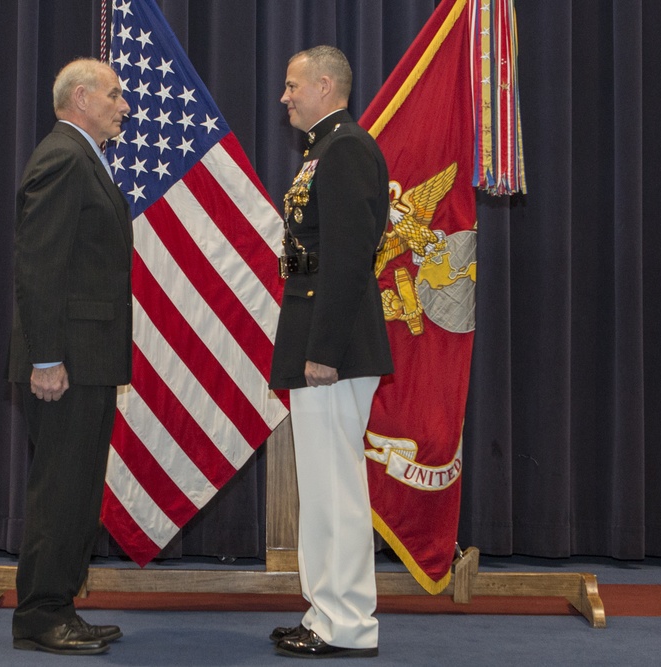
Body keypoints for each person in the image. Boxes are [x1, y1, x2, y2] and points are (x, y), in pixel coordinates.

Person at [268, 45, 393, 659]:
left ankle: (347, 623)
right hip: (319, 333)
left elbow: (346, 257)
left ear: (325, 84)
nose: (285, 96)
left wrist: (324, 349)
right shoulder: (325, 148)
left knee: (336, 488)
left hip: (332, 341)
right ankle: (325, 613)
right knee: (321, 487)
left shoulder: (344, 149)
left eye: (293, 86)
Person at [7, 57, 133, 656]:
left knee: (77, 489)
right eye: (113, 95)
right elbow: (39, 267)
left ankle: (58, 605)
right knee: (60, 490)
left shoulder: (82, 156)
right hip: (66, 363)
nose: (123, 106)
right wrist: (46, 358)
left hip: (87, 358)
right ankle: (38, 614)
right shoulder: (63, 157)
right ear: (80, 98)